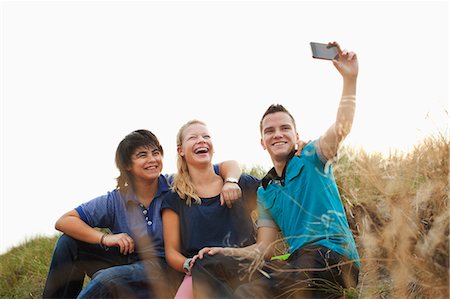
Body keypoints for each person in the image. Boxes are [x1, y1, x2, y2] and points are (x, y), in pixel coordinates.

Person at [196, 41, 360, 298]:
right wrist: (222, 252)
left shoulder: (312, 156)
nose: (278, 134)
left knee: (249, 294)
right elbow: (263, 249)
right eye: (269, 130)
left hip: (331, 258)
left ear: (297, 135)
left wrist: (350, 80)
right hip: (296, 261)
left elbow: (342, 126)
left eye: (285, 128)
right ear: (262, 142)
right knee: (210, 266)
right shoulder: (266, 191)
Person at [42, 129, 242, 298]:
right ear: (128, 164)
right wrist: (105, 238)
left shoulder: (177, 184)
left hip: (166, 267)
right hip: (128, 261)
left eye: (156, 153)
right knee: (69, 243)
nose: (153, 159)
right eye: (142, 155)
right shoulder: (115, 200)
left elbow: (227, 165)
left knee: (107, 279)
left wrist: (231, 181)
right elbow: (64, 221)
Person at [161, 120, 261, 298]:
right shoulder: (174, 199)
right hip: (202, 272)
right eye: (193, 137)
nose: (201, 140)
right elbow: (171, 252)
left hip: (246, 266)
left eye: (206, 136)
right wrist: (190, 264)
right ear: (180, 150)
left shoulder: (240, 183)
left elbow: (278, 195)